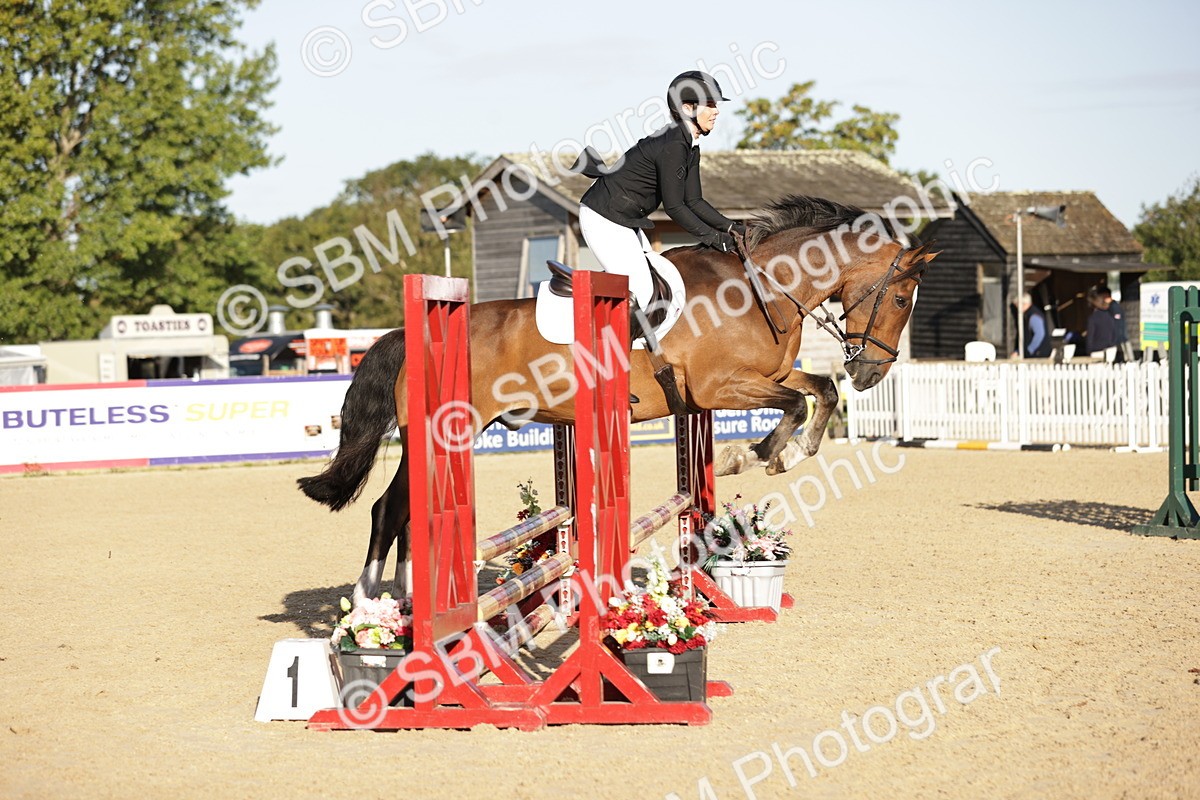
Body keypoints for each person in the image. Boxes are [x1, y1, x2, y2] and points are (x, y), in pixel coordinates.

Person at [573, 70, 745, 413]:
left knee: (662, 283)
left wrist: (732, 228)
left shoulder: (688, 144)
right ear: (687, 107)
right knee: (642, 289)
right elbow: (676, 207)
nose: (716, 111)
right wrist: (713, 238)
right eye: (709, 104)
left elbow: (695, 201)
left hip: (625, 221)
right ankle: (601, 377)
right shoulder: (672, 144)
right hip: (604, 218)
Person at [1085, 286, 1122, 361]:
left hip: (1096, 351)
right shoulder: (1111, 316)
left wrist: (1088, 350)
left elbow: (1090, 338)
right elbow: (1115, 333)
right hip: (1111, 350)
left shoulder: (1093, 318)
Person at [1013, 292, 1052, 358]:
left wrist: (1030, 349)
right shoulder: (1029, 315)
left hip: (1038, 355)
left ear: (1024, 304)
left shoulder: (1033, 316)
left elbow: (1039, 334)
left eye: (1017, 305)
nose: (1017, 308)